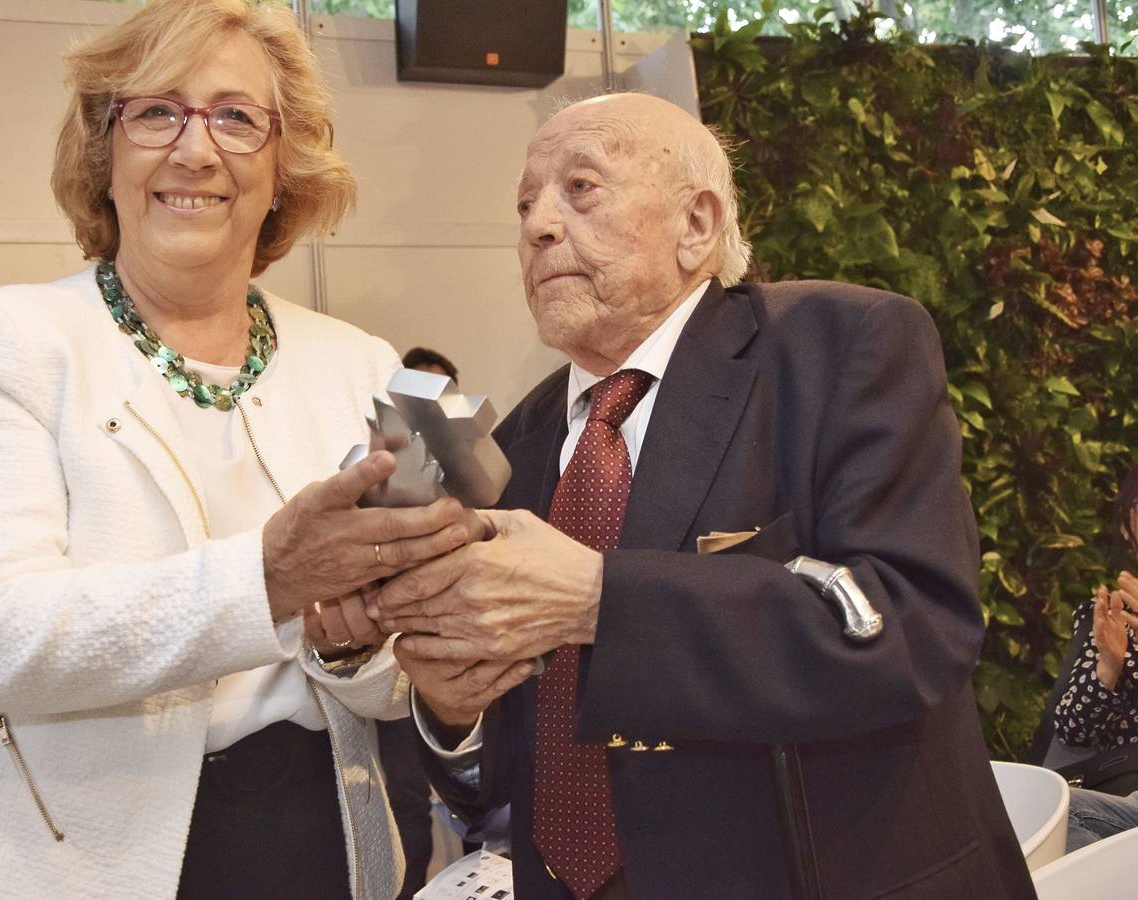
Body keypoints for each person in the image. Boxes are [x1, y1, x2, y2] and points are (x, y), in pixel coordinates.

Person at [367, 93, 1035, 898]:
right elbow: (507, 779)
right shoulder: (518, 444)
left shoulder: (842, 348)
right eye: (524, 204)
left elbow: (914, 626)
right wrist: (452, 713)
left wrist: (596, 599)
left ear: (698, 223)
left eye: (580, 188)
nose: (539, 226)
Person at [0, 2, 480, 897]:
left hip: (319, 848)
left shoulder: (359, 362)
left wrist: (352, 654)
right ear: (105, 148)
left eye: (238, 118)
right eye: (157, 111)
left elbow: (391, 676)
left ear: (284, 167)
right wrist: (271, 579)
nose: (196, 151)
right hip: (73, 862)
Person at [1054, 462, 1138, 850]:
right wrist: (1108, 666)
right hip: (1122, 791)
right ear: (1127, 524)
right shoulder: (1112, 613)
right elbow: (1071, 730)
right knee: (1052, 815)